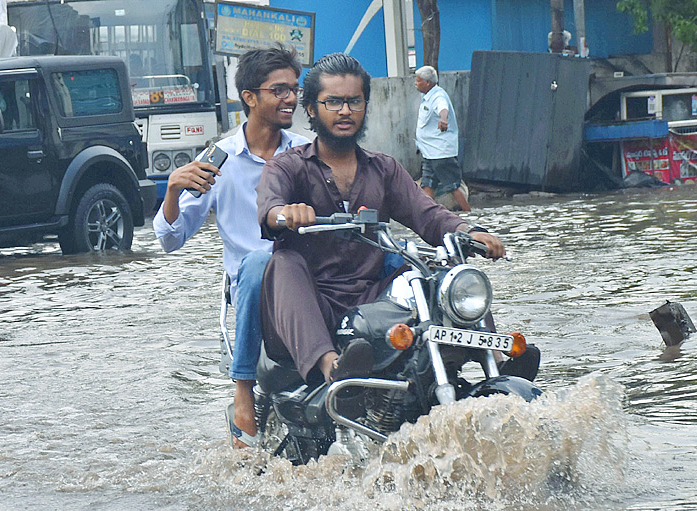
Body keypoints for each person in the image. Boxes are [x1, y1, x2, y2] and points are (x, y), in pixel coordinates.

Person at [256, 53, 505, 385]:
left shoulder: (384, 169)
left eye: (354, 102)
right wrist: (286, 214)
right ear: (313, 109)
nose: (345, 111)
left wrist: (468, 230)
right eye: (333, 102)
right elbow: (269, 207)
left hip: (373, 300)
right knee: (283, 263)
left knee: (444, 271)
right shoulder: (287, 166)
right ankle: (333, 367)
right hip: (307, 304)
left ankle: (496, 361)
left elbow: (428, 215)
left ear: (364, 107)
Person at [153, 44, 310, 446]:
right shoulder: (219, 159)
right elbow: (170, 239)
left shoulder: (306, 151)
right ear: (249, 98)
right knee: (260, 261)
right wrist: (172, 189)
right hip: (252, 288)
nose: (290, 97)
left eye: (294, 88)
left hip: (309, 278)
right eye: (279, 90)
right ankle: (243, 389)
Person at [413, 65, 470, 212]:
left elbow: (443, 108)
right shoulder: (426, 96)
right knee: (427, 184)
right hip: (429, 151)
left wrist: (443, 119)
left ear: (427, 83)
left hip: (441, 152)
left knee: (453, 185)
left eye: (418, 81)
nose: (415, 83)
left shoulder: (438, 96)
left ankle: (469, 214)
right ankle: (429, 214)